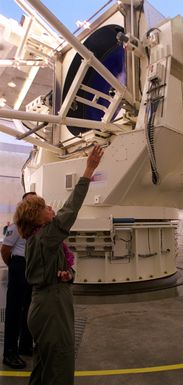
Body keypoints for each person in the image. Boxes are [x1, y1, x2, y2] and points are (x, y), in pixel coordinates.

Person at [14, 144, 103, 385]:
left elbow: (52, 268)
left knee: (43, 366)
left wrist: (67, 275)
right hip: (52, 307)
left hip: (42, 304)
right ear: (36, 216)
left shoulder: (36, 239)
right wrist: (89, 170)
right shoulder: (46, 235)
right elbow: (70, 208)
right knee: (60, 367)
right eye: (44, 207)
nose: (50, 208)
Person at [1, 192, 36, 369]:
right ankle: (9, 353)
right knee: (14, 311)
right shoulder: (16, 227)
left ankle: (25, 345)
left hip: (31, 268)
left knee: (29, 309)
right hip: (19, 266)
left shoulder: (37, 227)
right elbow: (5, 250)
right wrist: (14, 267)